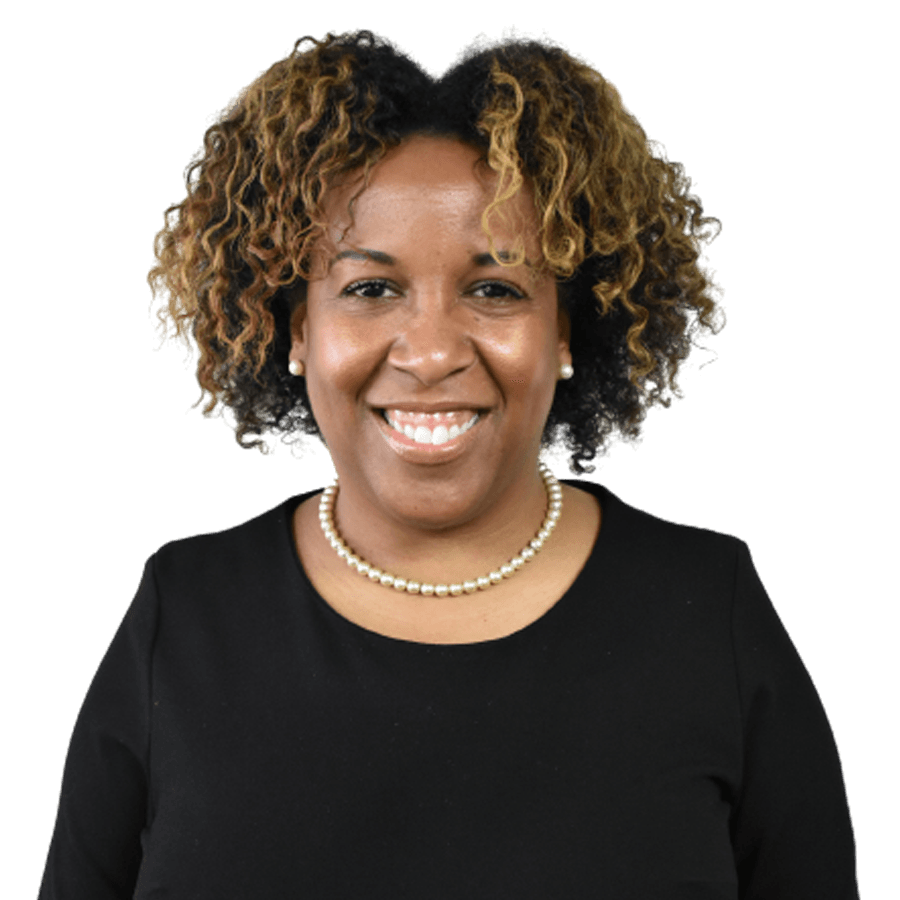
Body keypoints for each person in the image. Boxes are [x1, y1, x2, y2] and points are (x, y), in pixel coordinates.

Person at [38, 26, 859, 899]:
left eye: (496, 288)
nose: (430, 353)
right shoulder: (184, 617)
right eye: (369, 288)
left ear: (568, 334)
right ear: (296, 332)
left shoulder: (711, 611)